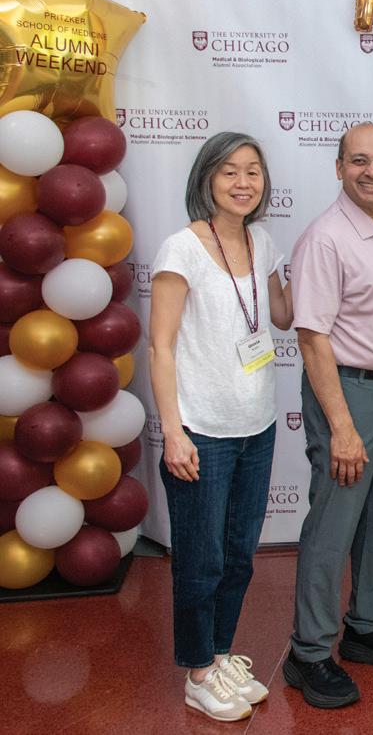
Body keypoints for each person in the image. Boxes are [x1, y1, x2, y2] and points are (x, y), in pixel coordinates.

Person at [283, 122, 373, 709]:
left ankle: (366, 627)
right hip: (348, 395)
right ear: (339, 167)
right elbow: (312, 337)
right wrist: (342, 427)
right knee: (333, 525)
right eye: (360, 161)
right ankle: (308, 652)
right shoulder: (325, 239)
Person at [149, 132, 293, 722]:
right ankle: (198, 672)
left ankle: (220, 654)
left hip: (257, 425)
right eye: (229, 171)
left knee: (238, 554)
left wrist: (313, 270)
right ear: (206, 178)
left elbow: (281, 316)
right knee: (200, 559)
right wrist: (173, 432)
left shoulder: (263, 241)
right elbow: (159, 347)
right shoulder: (181, 249)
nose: (242, 182)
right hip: (201, 430)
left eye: (252, 171)